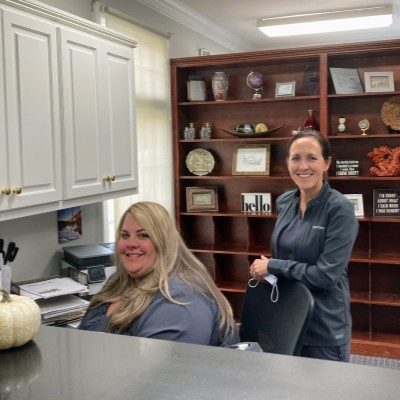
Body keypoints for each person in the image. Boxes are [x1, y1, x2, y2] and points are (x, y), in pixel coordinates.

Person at [249, 130, 358, 362]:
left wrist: (274, 266)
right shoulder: (285, 201)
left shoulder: (340, 210)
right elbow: (284, 252)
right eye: (296, 158)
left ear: (326, 163)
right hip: (286, 316)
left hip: (324, 325)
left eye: (312, 158)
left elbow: (325, 276)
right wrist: (265, 272)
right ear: (288, 161)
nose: (303, 166)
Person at [79, 201, 238, 346]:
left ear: (163, 241)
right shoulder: (120, 281)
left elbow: (165, 373)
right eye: (125, 235)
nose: (131, 244)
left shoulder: (178, 301)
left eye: (143, 235)